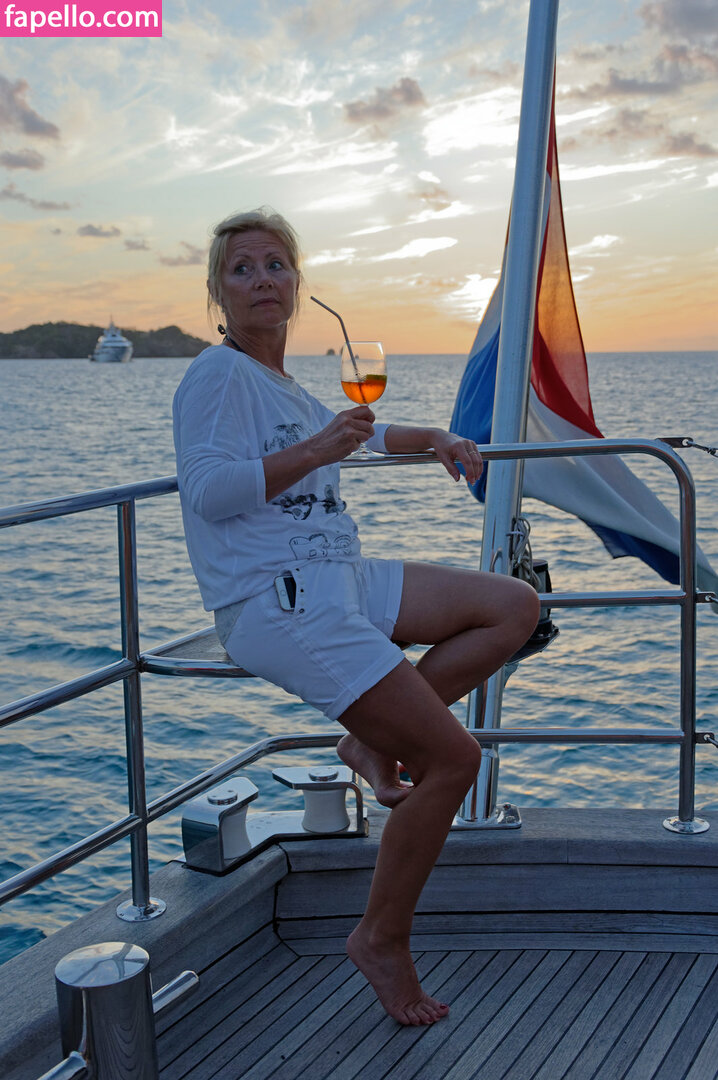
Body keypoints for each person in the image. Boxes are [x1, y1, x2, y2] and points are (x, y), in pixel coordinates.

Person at [173, 207, 539, 1027]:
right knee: (453, 760)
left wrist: (433, 435)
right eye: (242, 268)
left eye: (276, 264)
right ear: (219, 294)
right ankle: (381, 938)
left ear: (297, 283)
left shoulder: (281, 383)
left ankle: (370, 743)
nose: (263, 279)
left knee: (511, 605)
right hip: (278, 598)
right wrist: (317, 450)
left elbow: (361, 436)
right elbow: (208, 491)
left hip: (338, 577)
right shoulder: (217, 377)